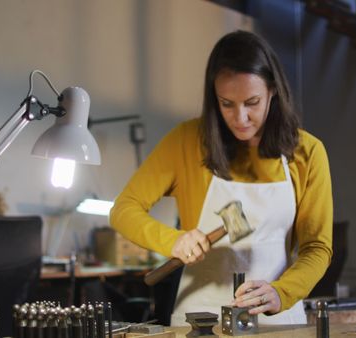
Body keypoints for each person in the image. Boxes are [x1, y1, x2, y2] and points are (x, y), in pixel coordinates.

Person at [110, 30, 333, 326]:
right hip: (200, 321)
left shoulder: (307, 152)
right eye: (227, 104)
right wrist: (173, 241)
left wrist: (282, 292)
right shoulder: (187, 141)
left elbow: (317, 247)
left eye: (252, 102)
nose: (240, 118)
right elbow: (124, 209)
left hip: (277, 320)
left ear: (273, 91)